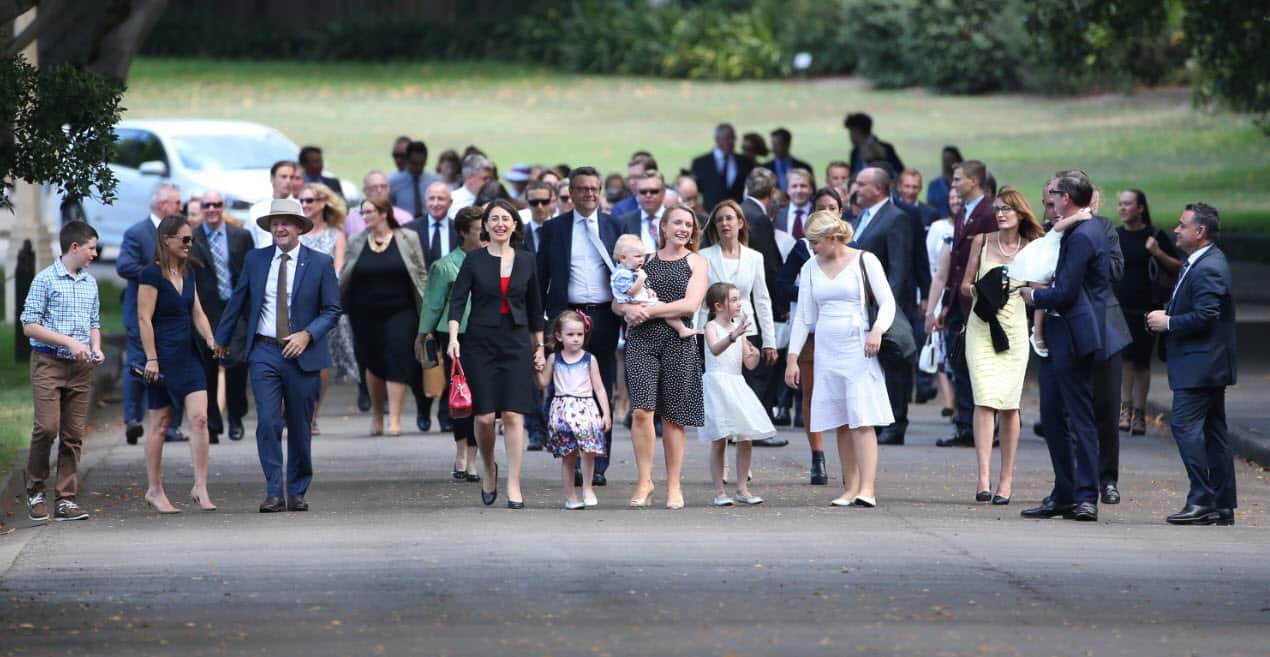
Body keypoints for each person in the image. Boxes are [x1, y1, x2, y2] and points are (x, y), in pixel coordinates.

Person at [214, 198, 342, 513]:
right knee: (268, 421)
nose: (280, 228)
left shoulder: (320, 262)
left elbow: (332, 309)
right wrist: (221, 339)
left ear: (299, 227)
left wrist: (307, 334)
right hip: (265, 350)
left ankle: (297, 490)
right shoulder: (256, 260)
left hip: (303, 353)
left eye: (286, 222)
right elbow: (238, 300)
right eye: (275, 223)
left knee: (299, 425)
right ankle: (274, 490)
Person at [1021, 170, 1123, 522]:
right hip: (1057, 334)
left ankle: (1085, 495)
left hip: (1076, 333)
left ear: (1067, 198)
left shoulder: (1084, 235)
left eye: (1053, 197)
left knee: (1080, 417)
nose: (1049, 204)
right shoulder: (1071, 228)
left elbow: (1064, 291)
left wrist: (1032, 295)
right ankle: (1064, 491)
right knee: (1051, 415)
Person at [785, 210, 894, 508]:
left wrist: (877, 331)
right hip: (826, 348)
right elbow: (804, 317)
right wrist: (792, 358)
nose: (812, 248)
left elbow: (887, 302)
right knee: (841, 419)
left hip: (858, 344)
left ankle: (867, 488)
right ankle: (850, 486)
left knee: (861, 417)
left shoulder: (864, 260)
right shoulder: (809, 267)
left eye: (816, 242)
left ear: (832, 238)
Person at [448, 199, 545, 509]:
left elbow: (535, 308)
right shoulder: (474, 260)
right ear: (486, 226)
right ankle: (489, 467)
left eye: (506, 218)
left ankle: (514, 483)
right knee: (486, 417)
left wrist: (539, 347)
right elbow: (458, 301)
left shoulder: (527, 260)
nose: (501, 223)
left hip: (516, 342)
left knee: (515, 415)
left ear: (515, 225)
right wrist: (453, 338)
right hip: (480, 342)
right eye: (494, 219)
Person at [1146, 202, 1237, 526]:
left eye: (1182, 225)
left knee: (1185, 427)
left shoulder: (1209, 265)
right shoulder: (1197, 261)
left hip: (1201, 365)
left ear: (1199, 232)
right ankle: (1222, 504)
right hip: (1204, 364)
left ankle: (1202, 498)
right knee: (1213, 432)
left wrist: (1168, 322)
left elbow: (1207, 316)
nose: (1176, 230)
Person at [536, 167, 628, 485]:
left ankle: (598, 462)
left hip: (604, 316)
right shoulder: (554, 229)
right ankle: (570, 457)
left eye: (594, 188)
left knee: (601, 387)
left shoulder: (616, 226)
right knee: (566, 388)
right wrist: (545, 323)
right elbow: (541, 276)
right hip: (567, 316)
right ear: (571, 194)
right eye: (583, 189)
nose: (589, 194)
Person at [615, 204, 709, 510]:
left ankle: (673, 485)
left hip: (677, 343)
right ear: (663, 227)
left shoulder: (697, 262)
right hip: (641, 340)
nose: (683, 229)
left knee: (673, 417)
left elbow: (690, 305)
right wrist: (627, 309)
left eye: (688, 225)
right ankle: (644, 481)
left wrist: (649, 310)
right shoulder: (646, 260)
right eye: (677, 223)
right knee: (642, 410)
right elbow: (618, 300)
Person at [959, 188, 1044, 504]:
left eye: (1008, 209)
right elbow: (965, 286)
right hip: (981, 327)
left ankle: (1006, 480)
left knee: (1009, 404)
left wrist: (1025, 295)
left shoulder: (1032, 248)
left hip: (1014, 330)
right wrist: (982, 288)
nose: (1001, 213)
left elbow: (1039, 292)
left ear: (1021, 213)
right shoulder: (981, 241)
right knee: (984, 399)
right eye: (997, 208)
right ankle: (983, 478)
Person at [21, 221, 105, 522]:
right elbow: (29, 324)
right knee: (46, 428)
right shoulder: (45, 280)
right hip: (49, 363)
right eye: (91, 248)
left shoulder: (90, 283)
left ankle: (66, 498)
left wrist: (95, 346)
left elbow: (94, 322)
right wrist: (68, 342)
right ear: (75, 247)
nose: (95, 253)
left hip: (81, 368)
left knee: (73, 435)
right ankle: (35, 489)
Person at [138, 214, 218, 513]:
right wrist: (152, 358)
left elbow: (197, 312)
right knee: (160, 424)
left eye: (191, 240)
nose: (189, 244)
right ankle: (155, 490)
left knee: (199, 419)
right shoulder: (151, 275)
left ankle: (200, 485)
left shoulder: (188, 272)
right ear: (165, 240)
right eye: (184, 239)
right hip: (162, 355)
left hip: (189, 353)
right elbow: (144, 318)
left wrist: (211, 339)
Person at [341, 197, 428, 436]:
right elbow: (347, 272)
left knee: (397, 356)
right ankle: (377, 416)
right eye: (362, 213)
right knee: (371, 361)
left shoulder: (407, 238)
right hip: (364, 313)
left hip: (401, 310)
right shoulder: (357, 241)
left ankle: (395, 419)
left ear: (383, 213)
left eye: (369, 212)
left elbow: (420, 273)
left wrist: (428, 312)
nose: (365, 216)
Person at [776, 187, 846, 484]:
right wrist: (809, 294)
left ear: (841, 212)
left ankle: (850, 460)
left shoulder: (854, 250)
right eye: (822, 208)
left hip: (842, 333)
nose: (828, 212)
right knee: (812, 392)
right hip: (811, 330)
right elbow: (781, 284)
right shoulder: (805, 248)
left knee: (844, 394)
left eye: (832, 207)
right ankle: (817, 455)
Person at [417, 206, 484, 480]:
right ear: (463, 233)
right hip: (456, 336)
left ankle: (474, 457)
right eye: (480, 230)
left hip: (486, 334)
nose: (485, 235)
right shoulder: (445, 266)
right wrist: (423, 335)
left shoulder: (491, 261)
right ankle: (460, 452)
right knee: (459, 394)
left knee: (481, 397)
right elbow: (432, 305)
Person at [850, 167, 915, 445]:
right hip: (862, 305)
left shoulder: (896, 218)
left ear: (877, 189)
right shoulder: (860, 217)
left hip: (883, 306)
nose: (855, 188)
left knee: (894, 363)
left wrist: (887, 309)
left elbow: (898, 269)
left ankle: (895, 423)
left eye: (861, 184)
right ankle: (877, 420)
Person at [934, 161, 997, 448]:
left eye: (958, 179)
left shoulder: (988, 213)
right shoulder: (963, 212)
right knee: (959, 363)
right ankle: (964, 425)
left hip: (978, 302)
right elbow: (956, 266)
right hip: (958, 303)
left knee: (980, 367)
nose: (954, 183)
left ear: (973, 181)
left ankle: (984, 427)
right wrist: (946, 305)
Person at [117, 183, 185, 446]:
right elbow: (124, 266)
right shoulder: (137, 233)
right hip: (141, 310)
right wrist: (156, 274)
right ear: (161, 204)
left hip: (171, 313)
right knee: (137, 361)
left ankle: (169, 424)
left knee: (171, 363)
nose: (180, 207)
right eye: (176, 202)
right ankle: (132, 420)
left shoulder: (182, 233)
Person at [701, 282, 775, 507]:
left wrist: (753, 353)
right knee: (720, 438)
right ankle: (720, 491)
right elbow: (715, 349)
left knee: (746, 437)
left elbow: (748, 364)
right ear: (718, 306)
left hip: (736, 382)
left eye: (738, 299)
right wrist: (734, 335)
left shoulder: (739, 329)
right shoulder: (711, 327)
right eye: (733, 300)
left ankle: (743, 488)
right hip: (717, 384)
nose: (738, 304)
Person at [189, 189, 254, 444]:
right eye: (207, 205)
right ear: (201, 208)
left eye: (217, 204)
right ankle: (213, 424)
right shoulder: (191, 239)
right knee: (207, 368)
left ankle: (236, 417)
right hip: (205, 311)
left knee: (237, 363)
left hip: (235, 309)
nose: (212, 210)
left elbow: (249, 273)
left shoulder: (240, 236)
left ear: (223, 206)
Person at [1115, 189, 1181, 435]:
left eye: (1128, 204)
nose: (1122, 208)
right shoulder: (1116, 236)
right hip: (1121, 306)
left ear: (1140, 208)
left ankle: (1140, 414)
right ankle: (1125, 409)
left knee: (1141, 361)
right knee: (1125, 359)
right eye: (1120, 204)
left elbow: (1178, 267)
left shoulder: (1154, 236)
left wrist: (1157, 252)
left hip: (1147, 307)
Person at [536, 310, 611, 510]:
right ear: (559, 336)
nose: (576, 339)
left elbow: (600, 388)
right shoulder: (554, 359)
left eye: (579, 334)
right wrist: (536, 368)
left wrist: (606, 413)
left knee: (589, 451)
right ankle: (571, 496)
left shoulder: (589, 359)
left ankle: (587, 488)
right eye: (570, 335)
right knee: (568, 456)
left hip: (585, 408)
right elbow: (543, 383)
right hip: (561, 410)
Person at [298, 183, 352, 435]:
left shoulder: (335, 234)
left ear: (322, 203)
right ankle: (295, 411)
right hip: (296, 304)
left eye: (311, 200)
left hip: (323, 305)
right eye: (303, 201)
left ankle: (312, 415)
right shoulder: (296, 234)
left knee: (320, 363)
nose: (306, 205)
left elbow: (339, 268)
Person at [612, 235, 695, 338]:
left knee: (636, 318)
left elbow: (639, 286)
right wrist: (641, 278)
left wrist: (648, 289)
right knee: (664, 308)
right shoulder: (621, 274)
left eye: (642, 256)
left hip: (637, 301)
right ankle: (682, 329)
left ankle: (629, 331)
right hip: (634, 301)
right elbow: (631, 292)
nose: (642, 260)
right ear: (623, 258)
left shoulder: (631, 270)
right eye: (637, 256)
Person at [690, 123, 755, 210]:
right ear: (717, 139)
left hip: (738, 214)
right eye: (727, 138)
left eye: (733, 138)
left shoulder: (745, 162)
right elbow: (695, 191)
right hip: (710, 215)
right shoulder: (701, 163)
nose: (731, 141)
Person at [250, 160, 302, 248]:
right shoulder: (257, 210)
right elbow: (250, 239)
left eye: (292, 177)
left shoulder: (301, 207)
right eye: (283, 177)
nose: (288, 181)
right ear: (272, 178)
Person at [344, 171, 412, 236]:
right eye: (374, 187)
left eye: (383, 186)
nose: (379, 190)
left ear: (389, 189)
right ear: (365, 191)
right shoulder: (351, 219)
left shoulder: (405, 217)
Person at [388, 141, 441, 221]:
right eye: (414, 163)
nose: (418, 167)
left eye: (421, 164)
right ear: (407, 160)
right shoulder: (393, 182)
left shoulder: (435, 182)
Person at [618, 171, 667, 255]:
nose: (648, 195)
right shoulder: (623, 222)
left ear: (663, 193)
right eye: (643, 192)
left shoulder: (677, 219)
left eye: (653, 191)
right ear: (637, 194)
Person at [844, 112, 903, 176]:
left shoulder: (886, 149)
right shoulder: (855, 152)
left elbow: (900, 173)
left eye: (851, 132)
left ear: (856, 131)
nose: (850, 136)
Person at [763, 127, 813, 193]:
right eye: (773, 144)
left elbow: (812, 193)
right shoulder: (765, 169)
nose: (773, 148)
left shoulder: (804, 167)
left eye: (777, 144)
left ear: (787, 144)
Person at [610, 153, 657, 219]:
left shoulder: (669, 206)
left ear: (652, 176)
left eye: (637, 177)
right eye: (630, 178)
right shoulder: (620, 210)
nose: (631, 182)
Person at [926, 146, 963, 219]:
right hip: (942, 223)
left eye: (950, 159)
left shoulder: (965, 183)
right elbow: (930, 208)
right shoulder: (934, 185)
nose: (948, 163)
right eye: (945, 160)